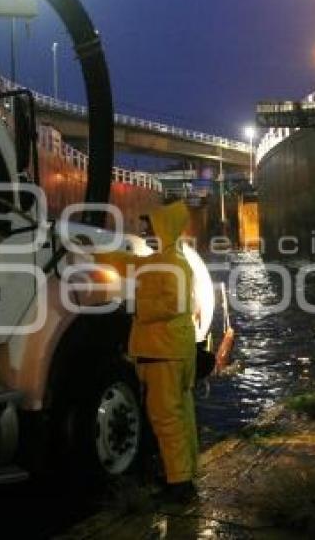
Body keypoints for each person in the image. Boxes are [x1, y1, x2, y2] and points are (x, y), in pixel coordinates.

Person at [95, 201, 198, 502]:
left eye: (150, 225)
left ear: (165, 227)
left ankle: (179, 484)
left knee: (167, 418)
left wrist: (137, 307)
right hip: (168, 350)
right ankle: (183, 474)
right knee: (177, 416)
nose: (145, 231)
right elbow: (130, 264)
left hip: (164, 352)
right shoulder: (166, 259)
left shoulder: (172, 262)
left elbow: (173, 304)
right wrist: (92, 251)